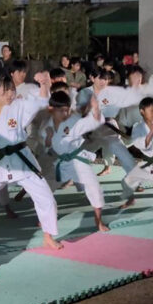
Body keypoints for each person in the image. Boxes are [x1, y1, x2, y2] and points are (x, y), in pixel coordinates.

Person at [0, 71, 63, 250]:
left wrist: (44, 84)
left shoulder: (18, 105)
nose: (10, 94)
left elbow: (41, 101)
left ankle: (48, 236)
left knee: (46, 198)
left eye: (12, 90)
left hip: (22, 160)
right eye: (5, 91)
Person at [46, 90, 110, 231]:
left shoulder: (74, 121)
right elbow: (47, 146)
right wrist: (49, 137)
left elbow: (95, 120)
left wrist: (95, 107)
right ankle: (47, 218)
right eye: (61, 111)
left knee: (95, 188)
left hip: (77, 161)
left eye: (66, 110)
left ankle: (98, 221)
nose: (65, 114)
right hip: (61, 163)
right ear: (51, 109)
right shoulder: (47, 124)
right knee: (44, 190)